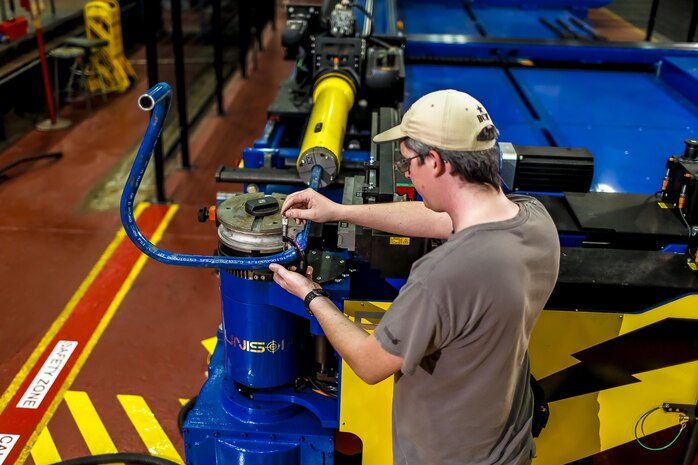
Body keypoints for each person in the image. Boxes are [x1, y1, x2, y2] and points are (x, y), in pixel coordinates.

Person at [269, 89, 560, 465]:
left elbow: (370, 364)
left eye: (408, 164)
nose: (407, 173)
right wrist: (339, 210)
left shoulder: (443, 276)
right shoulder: (534, 219)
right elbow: (442, 219)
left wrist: (310, 294)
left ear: (435, 162)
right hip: (508, 443)